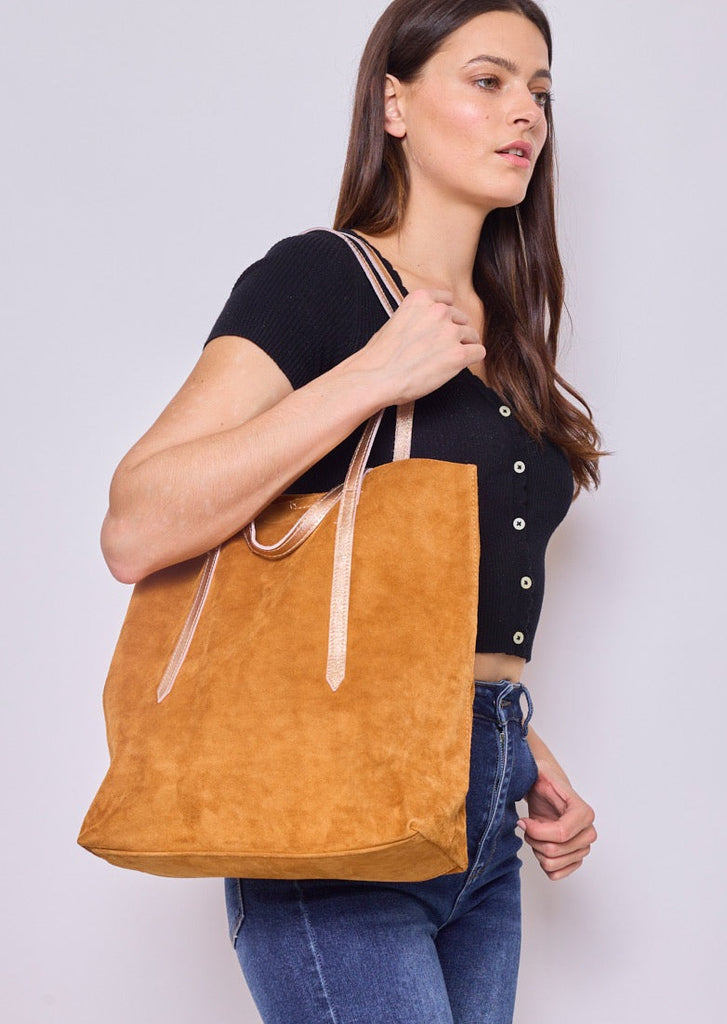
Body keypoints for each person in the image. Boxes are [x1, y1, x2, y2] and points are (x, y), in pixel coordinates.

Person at [101, 0, 601, 1020]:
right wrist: (371, 377)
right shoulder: (321, 281)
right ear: (393, 105)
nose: (526, 114)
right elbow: (135, 523)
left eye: (540, 92)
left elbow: (419, 583)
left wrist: (515, 747)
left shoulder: (506, 336)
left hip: (482, 808)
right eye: (488, 80)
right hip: (331, 810)